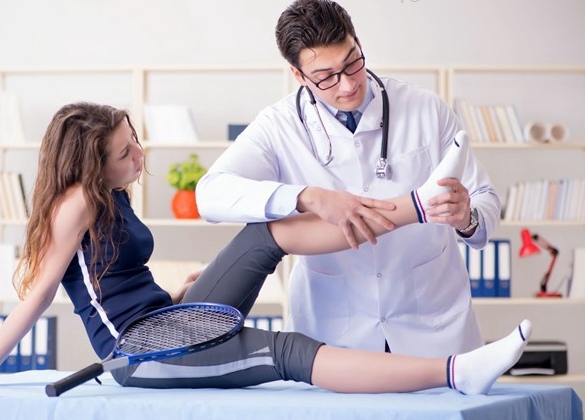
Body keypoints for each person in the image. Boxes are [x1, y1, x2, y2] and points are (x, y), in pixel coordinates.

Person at [0, 102, 527, 396]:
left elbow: (116, 283)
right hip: (140, 355)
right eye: (125, 153)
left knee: (265, 230)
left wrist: (179, 292)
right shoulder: (75, 202)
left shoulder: (110, 194)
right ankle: (456, 371)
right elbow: (42, 290)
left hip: (166, 319)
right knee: (288, 350)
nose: (140, 157)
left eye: (136, 141)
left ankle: (419, 204)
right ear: (90, 162)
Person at [195, 0, 501, 357]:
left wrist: (468, 219)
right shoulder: (278, 126)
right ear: (298, 75)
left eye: (352, 62)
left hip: (433, 325)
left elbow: (484, 197)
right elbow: (210, 194)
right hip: (334, 333)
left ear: (358, 43)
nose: (347, 85)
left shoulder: (425, 108)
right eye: (325, 76)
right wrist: (308, 197)